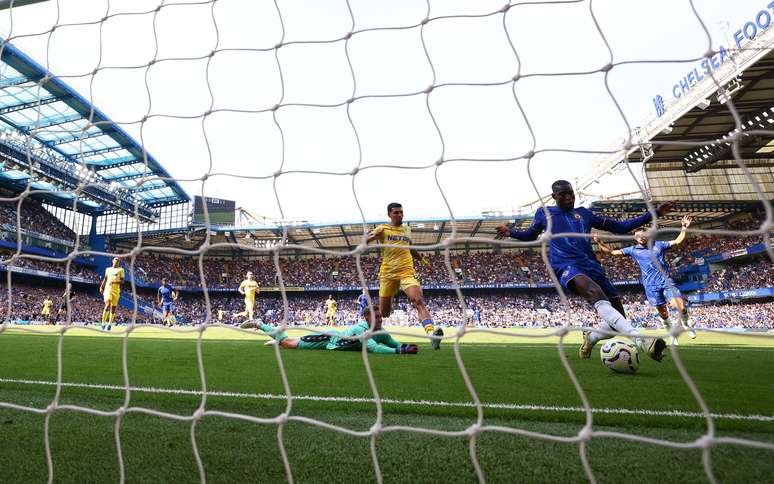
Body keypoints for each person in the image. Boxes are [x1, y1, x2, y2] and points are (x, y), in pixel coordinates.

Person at [496, 180, 674, 361]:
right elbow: (530, 235)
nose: (568, 198)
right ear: (553, 197)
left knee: (617, 320)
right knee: (593, 292)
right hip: (566, 265)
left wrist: (655, 213)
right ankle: (642, 340)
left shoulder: (584, 214)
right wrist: (511, 232)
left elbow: (620, 227)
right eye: (563, 194)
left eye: (571, 193)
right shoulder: (545, 213)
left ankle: (591, 337)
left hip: (591, 265)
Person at [595, 214, 697, 344]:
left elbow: (677, 241)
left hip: (666, 281)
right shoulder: (632, 250)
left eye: (642, 235)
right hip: (650, 286)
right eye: (637, 236)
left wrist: (683, 228)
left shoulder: (658, 245)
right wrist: (599, 243)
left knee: (680, 306)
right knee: (663, 313)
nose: (641, 237)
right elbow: (612, 252)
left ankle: (686, 324)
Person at [367, 202, 443, 349]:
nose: (399, 215)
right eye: (396, 213)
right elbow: (365, 240)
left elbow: (410, 248)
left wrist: (424, 262)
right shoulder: (382, 229)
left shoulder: (407, 229)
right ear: (389, 214)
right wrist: (371, 236)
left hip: (406, 272)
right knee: (385, 312)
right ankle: (371, 328)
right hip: (388, 275)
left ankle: (431, 334)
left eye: (401, 212)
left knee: (418, 300)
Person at [246, 307, 418, 355]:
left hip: (333, 340)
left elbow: (392, 343)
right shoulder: (362, 329)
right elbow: (375, 348)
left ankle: (275, 338)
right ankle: (260, 324)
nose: (381, 320)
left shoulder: (381, 331)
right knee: (288, 344)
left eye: (381, 317)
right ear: (367, 319)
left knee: (289, 342)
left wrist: (403, 345)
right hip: (328, 340)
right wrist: (399, 351)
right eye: (377, 317)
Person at [99, 257, 125, 331]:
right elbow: (105, 278)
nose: (116, 261)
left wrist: (115, 282)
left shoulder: (121, 270)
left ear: (119, 262)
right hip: (108, 289)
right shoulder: (108, 269)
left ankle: (109, 324)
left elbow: (122, 281)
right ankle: (103, 323)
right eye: (115, 260)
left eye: (118, 261)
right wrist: (101, 286)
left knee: (113, 309)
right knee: (107, 304)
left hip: (116, 291)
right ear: (112, 261)